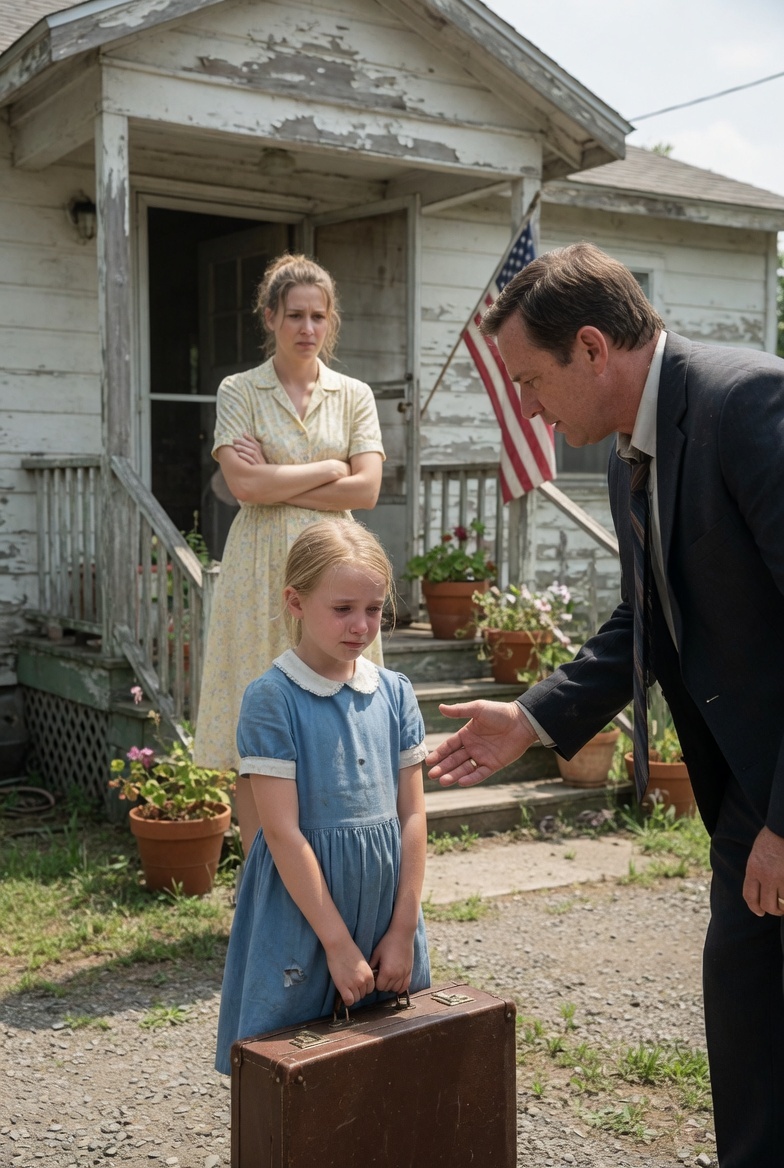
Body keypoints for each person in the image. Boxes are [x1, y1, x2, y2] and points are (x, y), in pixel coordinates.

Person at [426, 242, 784, 1167]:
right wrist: (535, 718)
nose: (529, 407)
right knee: (748, 1035)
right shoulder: (637, 443)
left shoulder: (747, 404)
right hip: (750, 791)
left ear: (592, 347)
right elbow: (647, 617)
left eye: (532, 382)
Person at [215, 520, 430, 1074]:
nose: (361, 626)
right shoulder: (272, 699)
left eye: (374, 609)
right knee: (292, 1062)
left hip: (385, 909)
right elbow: (280, 831)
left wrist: (403, 927)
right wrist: (335, 943)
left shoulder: (396, 694)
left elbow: (412, 814)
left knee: (392, 1062)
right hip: (302, 913)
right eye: (343, 609)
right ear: (296, 601)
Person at [193, 254, 385, 854]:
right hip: (260, 570)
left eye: (318, 316)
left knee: (335, 709)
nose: (307, 327)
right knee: (259, 722)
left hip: (338, 566)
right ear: (271, 316)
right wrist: (331, 467)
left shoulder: (353, 395)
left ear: (330, 323)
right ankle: (260, 878)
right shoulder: (239, 390)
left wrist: (281, 473)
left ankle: (331, 866)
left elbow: (368, 489)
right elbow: (244, 488)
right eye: (295, 314)